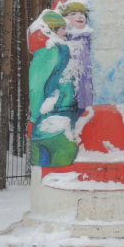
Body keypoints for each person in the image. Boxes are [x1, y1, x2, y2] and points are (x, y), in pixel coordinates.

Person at [27, 11, 78, 167]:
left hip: (60, 112)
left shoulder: (59, 49)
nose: (66, 32)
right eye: (62, 28)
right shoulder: (48, 50)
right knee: (60, 155)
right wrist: (34, 117)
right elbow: (36, 85)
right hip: (49, 116)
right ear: (53, 29)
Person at [58, 0, 93, 112]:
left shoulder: (90, 39)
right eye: (73, 14)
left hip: (89, 93)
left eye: (82, 13)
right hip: (68, 95)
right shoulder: (63, 41)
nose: (79, 16)